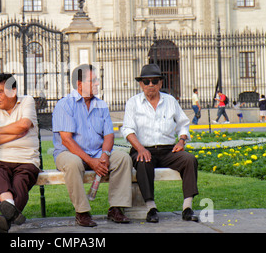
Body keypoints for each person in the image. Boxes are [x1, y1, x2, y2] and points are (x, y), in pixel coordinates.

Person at [52, 64, 132, 227]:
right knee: (73, 163)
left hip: (97, 153)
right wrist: (90, 161)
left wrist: (104, 156)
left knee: (123, 158)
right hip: (68, 153)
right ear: (79, 84)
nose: (97, 83)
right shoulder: (65, 104)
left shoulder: (101, 104)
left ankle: (116, 209)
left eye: (97, 80)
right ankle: (82, 213)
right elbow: (66, 140)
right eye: (93, 80)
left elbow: (109, 135)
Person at [121, 63, 199, 223]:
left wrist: (182, 140)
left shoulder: (170, 101)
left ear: (161, 83)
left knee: (190, 160)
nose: (151, 85)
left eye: (155, 81)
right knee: (143, 161)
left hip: (168, 150)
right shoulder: (133, 103)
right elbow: (128, 129)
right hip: (142, 148)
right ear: (141, 84)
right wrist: (140, 149)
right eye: (147, 81)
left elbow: (183, 123)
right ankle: (151, 208)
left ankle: (187, 208)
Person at [0, 74, 40, 233]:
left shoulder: (27, 101)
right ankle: (10, 215)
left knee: (21, 180)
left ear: (13, 91)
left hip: (26, 159)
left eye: (0, 91)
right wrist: (15, 135)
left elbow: (25, 124)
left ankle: (6, 217)